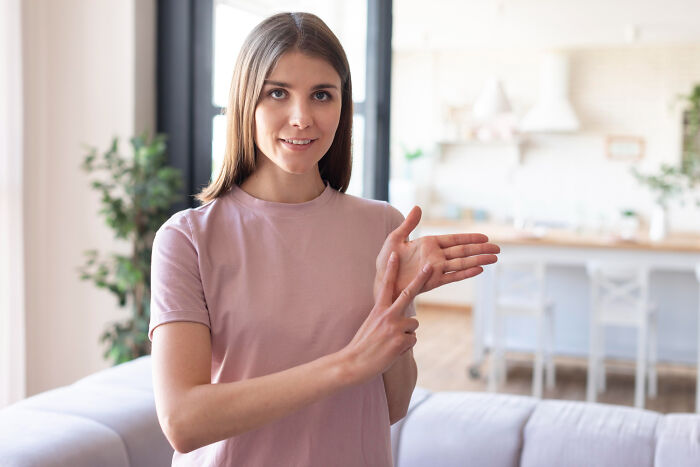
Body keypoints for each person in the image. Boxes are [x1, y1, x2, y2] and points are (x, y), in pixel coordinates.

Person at [148, 11, 500, 467]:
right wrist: (347, 364)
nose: (302, 118)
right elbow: (183, 422)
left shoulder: (383, 229)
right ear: (244, 102)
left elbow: (391, 406)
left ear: (342, 106)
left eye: (321, 95)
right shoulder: (187, 239)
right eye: (278, 93)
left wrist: (388, 299)